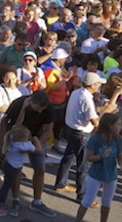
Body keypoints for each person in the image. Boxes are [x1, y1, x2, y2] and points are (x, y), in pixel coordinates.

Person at [54, 73, 110, 203]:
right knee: (84, 165)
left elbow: (86, 111)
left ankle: (60, 183)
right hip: (81, 134)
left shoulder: (77, 92)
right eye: (98, 83)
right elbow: (95, 122)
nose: (99, 86)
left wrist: (100, 108)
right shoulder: (86, 99)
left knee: (68, 157)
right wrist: (105, 111)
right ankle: (83, 195)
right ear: (92, 85)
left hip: (71, 129)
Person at [0, 91, 56, 217]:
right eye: (38, 108)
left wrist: (35, 145)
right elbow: (5, 121)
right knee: (16, 169)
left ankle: (37, 201)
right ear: (31, 102)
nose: (40, 111)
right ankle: (15, 199)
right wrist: (2, 143)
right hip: (17, 138)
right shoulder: (19, 103)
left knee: (40, 169)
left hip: (35, 138)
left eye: (43, 109)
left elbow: (48, 130)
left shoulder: (48, 108)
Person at [74, 113, 122, 222]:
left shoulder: (119, 140)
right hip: (95, 175)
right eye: (118, 125)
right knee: (87, 200)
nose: (120, 127)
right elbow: (89, 158)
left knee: (107, 202)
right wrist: (101, 156)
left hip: (111, 175)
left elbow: (120, 158)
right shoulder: (95, 139)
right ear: (110, 126)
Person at [0, 125, 41, 217]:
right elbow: (38, 150)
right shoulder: (24, 145)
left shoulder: (11, 138)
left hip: (7, 163)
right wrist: (35, 139)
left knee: (5, 185)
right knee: (6, 186)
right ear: (23, 137)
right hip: (13, 167)